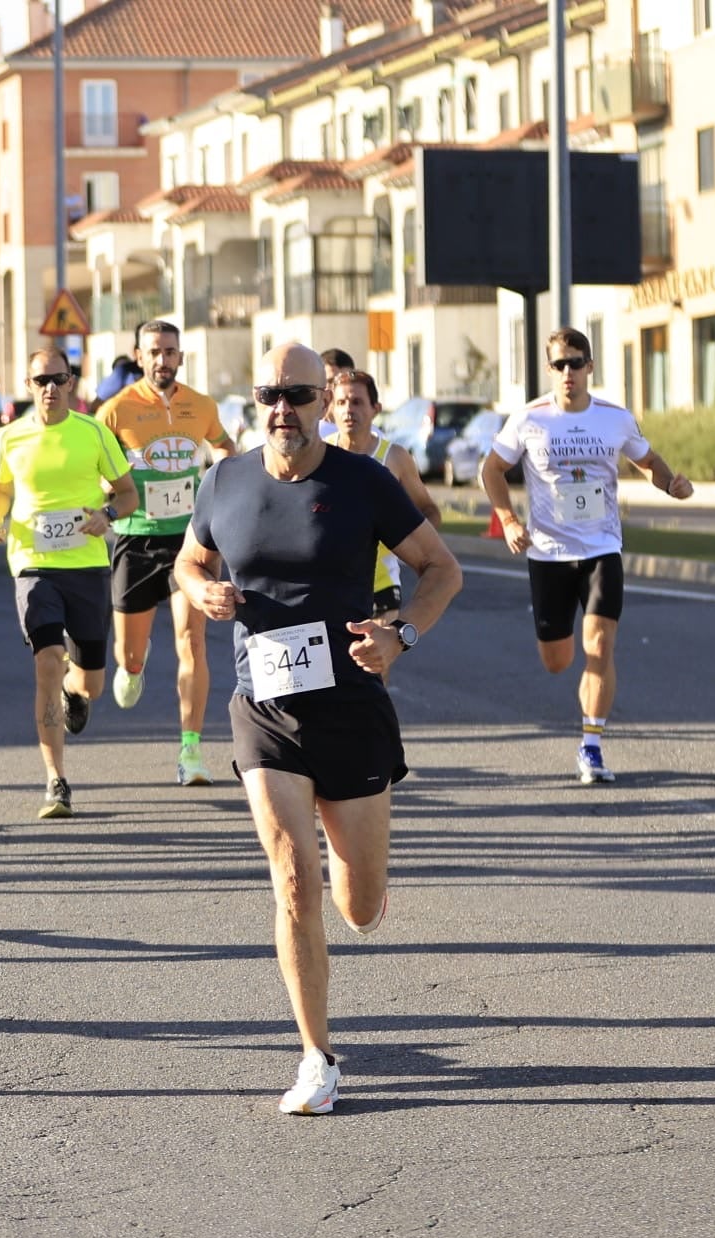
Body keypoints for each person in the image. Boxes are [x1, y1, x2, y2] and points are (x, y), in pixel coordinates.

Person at [176, 342, 461, 1115]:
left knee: (359, 905)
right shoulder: (224, 481)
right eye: (269, 392)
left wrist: (401, 634)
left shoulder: (363, 481)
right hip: (264, 709)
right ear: (255, 399)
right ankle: (317, 1058)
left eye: (298, 394)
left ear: (320, 400)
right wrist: (202, 592)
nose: (282, 408)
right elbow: (188, 561)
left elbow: (441, 569)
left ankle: (351, 870)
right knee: (292, 877)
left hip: (353, 707)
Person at [480, 326, 693, 784]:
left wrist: (672, 483)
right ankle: (566, 655)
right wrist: (510, 521)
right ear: (550, 369)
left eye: (576, 362)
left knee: (599, 648)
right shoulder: (529, 418)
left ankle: (591, 746)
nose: (568, 372)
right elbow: (492, 469)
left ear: (590, 366)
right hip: (548, 555)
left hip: (601, 549)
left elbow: (649, 461)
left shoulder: (614, 418)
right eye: (559, 364)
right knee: (557, 660)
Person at [0, 349, 136, 818]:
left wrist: (105, 515)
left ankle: (75, 693)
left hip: (87, 566)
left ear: (71, 382)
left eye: (58, 378)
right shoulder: (10, 437)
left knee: (90, 681)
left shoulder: (92, 433)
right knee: (47, 660)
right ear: (27, 384)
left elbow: (128, 493)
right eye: (40, 380)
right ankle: (56, 780)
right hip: (32, 563)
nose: (49, 387)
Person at [93, 320, 235, 785]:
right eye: (154, 352)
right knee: (129, 657)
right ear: (139, 355)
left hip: (190, 541)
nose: (162, 360)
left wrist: (224, 488)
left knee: (192, 643)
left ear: (180, 356)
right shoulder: (115, 411)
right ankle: (134, 664)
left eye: (170, 352)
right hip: (136, 539)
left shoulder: (202, 405)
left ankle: (191, 751)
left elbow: (225, 452)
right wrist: (103, 500)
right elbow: (95, 469)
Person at [326, 369, 441, 620]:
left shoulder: (395, 458)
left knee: (374, 658)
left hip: (380, 584)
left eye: (357, 402)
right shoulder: (320, 455)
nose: (348, 410)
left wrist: (412, 546)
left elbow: (429, 510)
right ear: (330, 409)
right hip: (329, 585)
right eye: (341, 403)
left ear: (375, 409)